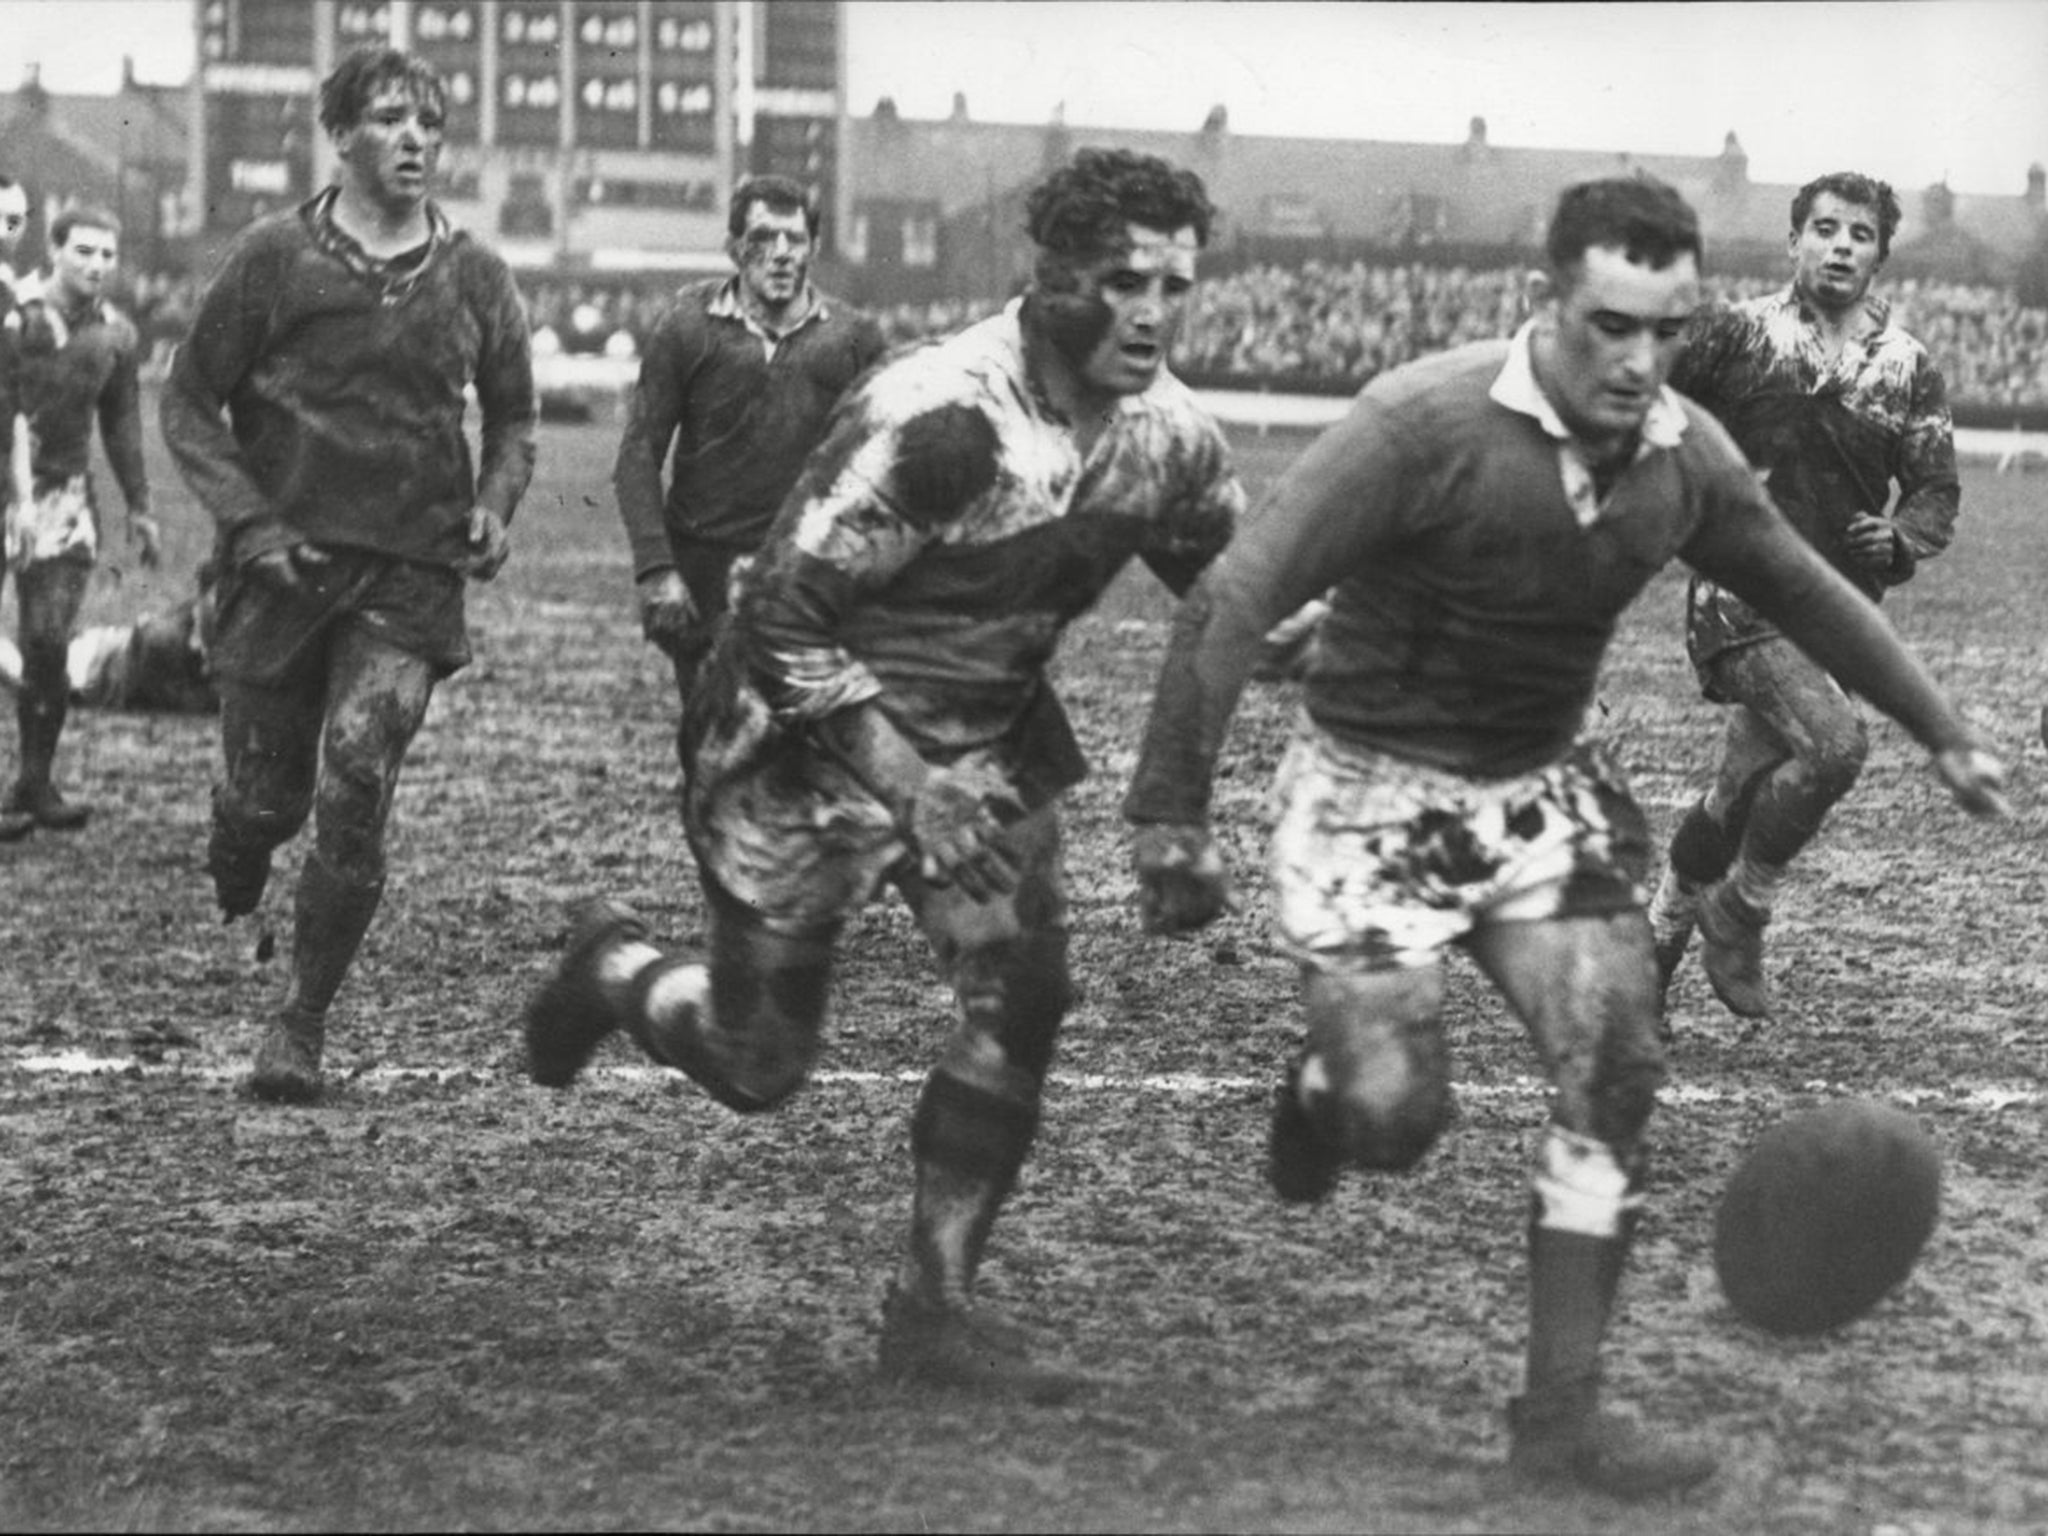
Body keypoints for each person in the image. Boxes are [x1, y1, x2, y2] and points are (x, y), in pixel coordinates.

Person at [1118, 176, 2007, 1498]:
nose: (1641, 360)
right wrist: (1168, 818)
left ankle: (1563, 1420)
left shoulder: (1681, 450)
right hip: (1373, 797)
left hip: (1535, 796)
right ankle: (1320, 1099)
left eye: (1667, 328)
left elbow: (1806, 590)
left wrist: (1938, 729)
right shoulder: (1422, 421)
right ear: (1549, 306)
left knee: (1618, 1061)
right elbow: (1233, 598)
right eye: (1611, 326)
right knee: (1393, 1115)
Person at [524, 148, 1243, 1401]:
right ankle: (614, 968)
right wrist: (910, 785)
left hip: (987, 737)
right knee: (759, 1066)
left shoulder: (1170, 438)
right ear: (1049, 274)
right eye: (1120, 281)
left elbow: (1239, 605)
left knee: (1021, 992)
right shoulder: (940, 417)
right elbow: (778, 619)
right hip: (795, 746)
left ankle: (933, 1309)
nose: (1148, 312)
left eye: (1173, 285)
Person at [160, 45, 536, 1103]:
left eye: (428, 120)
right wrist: (249, 522)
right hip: (280, 574)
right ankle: (239, 835)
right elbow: (189, 401)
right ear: (340, 135)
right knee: (266, 801)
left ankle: (300, 1025)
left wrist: (494, 505)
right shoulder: (276, 257)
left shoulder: (475, 277)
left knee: (360, 770)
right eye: (389, 118)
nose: (415, 137)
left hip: (409, 578)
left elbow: (511, 417)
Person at [1647, 172, 1958, 1018]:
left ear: (1880, 257)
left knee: (1737, 792)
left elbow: (1935, 492)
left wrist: (1899, 539)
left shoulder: (1906, 368)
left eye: (1859, 234)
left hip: (1836, 616)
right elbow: (1649, 409)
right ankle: (1742, 907)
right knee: (1835, 748)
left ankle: (1649, 962)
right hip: (1737, 598)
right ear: (1794, 243)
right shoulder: (1736, 335)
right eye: (1824, 228)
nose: (1840, 245)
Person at [612, 175, 887, 703]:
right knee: (719, 747)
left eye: (795, 238)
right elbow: (638, 456)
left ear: (814, 247)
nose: (781, 254)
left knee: (806, 744)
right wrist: (656, 569)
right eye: (763, 238)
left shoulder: (854, 339)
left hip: (808, 568)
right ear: (734, 248)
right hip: (705, 570)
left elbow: (884, 464)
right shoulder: (687, 327)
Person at [0, 203, 159, 841]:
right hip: (7, 488)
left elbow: (120, 425)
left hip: (66, 500)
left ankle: (32, 784)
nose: (97, 265)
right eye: (84, 251)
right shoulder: (17, 315)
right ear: (55, 249)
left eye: (107, 255)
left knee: (48, 645)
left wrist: (141, 505)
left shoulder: (118, 335)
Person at [0, 562, 219, 714]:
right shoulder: (166, 641)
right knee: (34, 682)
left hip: (106, 648)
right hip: (92, 667)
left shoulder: (192, 625)